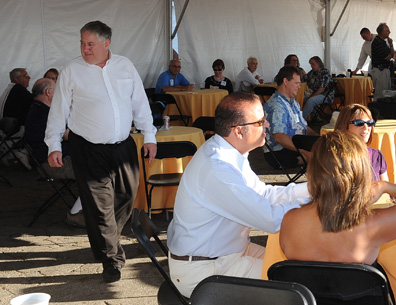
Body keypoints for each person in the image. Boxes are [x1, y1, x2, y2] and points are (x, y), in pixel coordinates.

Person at [44, 21, 157, 283]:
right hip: (88, 148)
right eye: (82, 43)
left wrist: (149, 135)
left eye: (90, 44)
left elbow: (139, 102)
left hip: (124, 147)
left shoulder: (125, 65)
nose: (85, 49)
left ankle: (108, 241)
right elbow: (58, 110)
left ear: (107, 44)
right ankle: (111, 259)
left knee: (126, 198)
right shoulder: (72, 70)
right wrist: (53, 145)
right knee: (99, 206)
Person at [167, 92, 310, 297]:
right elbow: (270, 219)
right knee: (295, 284)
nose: (267, 125)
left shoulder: (229, 152)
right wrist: (318, 205)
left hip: (223, 256)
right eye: (260, 121)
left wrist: (313, 190)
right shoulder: (218, 167)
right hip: (205, 272)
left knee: (297, 266)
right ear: (239, 132)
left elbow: (264, 194)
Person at [279, 131, 396, 267]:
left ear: (313, 170)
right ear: (361, 171)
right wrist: (387, 186)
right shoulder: (372, 223)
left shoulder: (290, 220)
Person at [23, 78, 85, 228]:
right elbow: (68, 135)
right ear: (48, 92)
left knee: (101, 165)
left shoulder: (39, 109)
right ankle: (77, 214)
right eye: (57, 89)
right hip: (52, 163)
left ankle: (90, 210)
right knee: (99, 170)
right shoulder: (43, 112)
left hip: (56, 158)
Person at [263, 66, 317, 168]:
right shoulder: (277, 105)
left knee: (329, 149)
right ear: (286, 81)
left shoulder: (293, 102)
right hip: (279, 153)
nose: (299, 87)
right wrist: (302, 151)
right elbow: (279, 136)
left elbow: (303, 126)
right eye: (296, 83)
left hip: (296, 146)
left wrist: (319, 139)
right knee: (325, 157)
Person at [334, 104, 388, 181]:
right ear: (344, 126)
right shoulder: (335, 156)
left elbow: (385, 188)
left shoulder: (376, 156)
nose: (366, 127)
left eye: (370, 123)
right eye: (359, 123)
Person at [302, 56, 334, 122]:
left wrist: (311, 96)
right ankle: (314, 117)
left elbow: (321, 89)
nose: (311, 66)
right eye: (310, 64)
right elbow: (304, 79)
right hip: (314, 94)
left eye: (313, 64)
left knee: (311, 101)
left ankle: (301, 121)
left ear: (318, 63)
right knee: (301, 98)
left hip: (325, 95)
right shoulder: (312, 72)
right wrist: (301, 71)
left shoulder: (324, 72)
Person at [371, 23, 395, 101]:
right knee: (380, 94)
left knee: (386, 94)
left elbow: (391, 54)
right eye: (388, 31)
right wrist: (391, 54)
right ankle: (377, 111)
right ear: (382, 32)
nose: (389, 32)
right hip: (380, 70)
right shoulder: (378, 42)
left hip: (385, 70)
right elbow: (388, 57)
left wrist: (391, 44)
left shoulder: (383, 42)